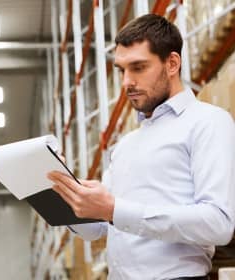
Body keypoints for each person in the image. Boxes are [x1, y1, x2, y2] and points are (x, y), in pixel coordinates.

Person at [48, 14, 235, 280]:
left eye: (138, 67)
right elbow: (100, 229)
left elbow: (218, 223)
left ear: (172, 63)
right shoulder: (125, 146)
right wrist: (63, 194)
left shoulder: (207, 122)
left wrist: (113, 209)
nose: (126, 82)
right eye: (121, 70)